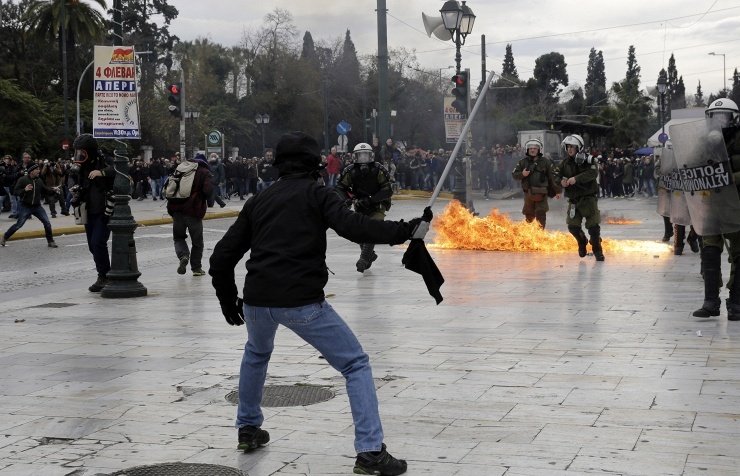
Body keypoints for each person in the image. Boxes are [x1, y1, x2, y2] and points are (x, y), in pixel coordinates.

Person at [209, 131, 431, 476]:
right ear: (316, 165)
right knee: (356, 364)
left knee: (256, 353)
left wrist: (228, 299)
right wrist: (406, 230)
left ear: (277, 166)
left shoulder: (259, 201)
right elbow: (356, 227)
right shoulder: (317, 194)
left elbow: (222, 257)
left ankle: (248, 428)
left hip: (257, 300)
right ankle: (370, 452)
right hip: (301, 300)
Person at [692, 99, 740, 320]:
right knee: (709, 253)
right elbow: (690, 166)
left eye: (724, 116)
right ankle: (711, 301)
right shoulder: (704, 144)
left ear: (734, 119)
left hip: (736, 207)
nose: (719, 121)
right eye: (715, 116)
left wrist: (729, 178)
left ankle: (736, 302)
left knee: (739, 256)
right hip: (710, 207)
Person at [335, 142, 394, 272]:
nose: (363, 159)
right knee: (359, 230)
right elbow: (340, 187)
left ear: (371, 156)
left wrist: (371, 199)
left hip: (378, 204)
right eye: (360, 156)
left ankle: (363, 259)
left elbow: (387, 189)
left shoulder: (379, 169)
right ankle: (369, 255)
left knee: (372, 227)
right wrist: (346, 199)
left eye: (366, 156)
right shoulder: (350, 170)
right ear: (355, 157)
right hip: (360, 203)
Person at [70, 133, 116, 292]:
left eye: (82, 152)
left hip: (104, 210)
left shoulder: (105, 161)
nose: (79, 156)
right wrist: (73, 188)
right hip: (87, 210)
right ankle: (105, 273)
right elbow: (71, 178)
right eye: (77, 152)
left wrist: (101, 172)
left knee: (98, 242)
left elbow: (120, 169)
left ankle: (104, 275)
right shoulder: (80, 166)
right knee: (92, 245)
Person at [557, 134, 604, 261]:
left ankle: (597, 249)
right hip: (573, 200)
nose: (569, 149)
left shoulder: (589, 160)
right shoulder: (564, 163)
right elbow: (556, 175)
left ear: (579, 147)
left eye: (572, 147)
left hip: (588, 199)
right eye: (568, 147)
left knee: (593, 228)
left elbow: (593, 173)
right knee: (573, 226)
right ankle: (582, 241)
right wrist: (560, 181)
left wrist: (576, 179)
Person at [166, 153, 213, 277]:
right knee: (197, 242)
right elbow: (208, 190)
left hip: (176, 210)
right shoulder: (204, 172)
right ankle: (196, 268)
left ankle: (183, 256)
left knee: (178, 238)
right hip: (193, 210)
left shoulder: (181, 168)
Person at [1, 163, 59, 248]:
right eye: (37, 169)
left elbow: (46, 190)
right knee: (19, 224)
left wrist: (54, 190)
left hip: (37, 206)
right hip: (25, 206)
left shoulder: (39, 180)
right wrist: (24, 190)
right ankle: (5, 237)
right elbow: (15, 192)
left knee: (47, 223)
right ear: (31, 171)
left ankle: (50, 241)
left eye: (39, 169)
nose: (39, 171)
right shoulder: (23, 180)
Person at [511, 138, 561, 228]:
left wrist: (557, 190)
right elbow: (514, 174)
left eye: (535, 148)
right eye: (530, 148)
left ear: (539, 150)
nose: (533, 150)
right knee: (529, 215)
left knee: (540, 214)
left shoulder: (546, 162)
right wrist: (522, 174)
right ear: (527, 150)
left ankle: (540, 235)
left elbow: (552, 177)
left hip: (542, 194)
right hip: (528, 194)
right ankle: (531, 237)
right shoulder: (522, 162)